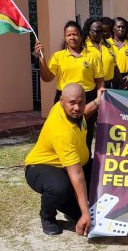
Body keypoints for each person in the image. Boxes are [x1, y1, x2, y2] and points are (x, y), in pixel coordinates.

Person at [25, 83, 104, 236]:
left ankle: (71, 204)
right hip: (41, 167)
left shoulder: (70, 112)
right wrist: (85, 213)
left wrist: (97, 101)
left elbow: (83, 114)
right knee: (60, 189)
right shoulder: (62, 132)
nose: (77, 108)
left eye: (81, 102)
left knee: (106, 169)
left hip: (70, 167)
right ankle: (47, 216)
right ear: (61, 101)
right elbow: (77, 174)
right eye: (72, 103)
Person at [35, 20, 104, 155]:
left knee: (86, 133)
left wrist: (99, 98)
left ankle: (85, 165)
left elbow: (100, 81)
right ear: (65, 37)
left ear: (81, 36)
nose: (72, 37)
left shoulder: (93, 55)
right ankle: (66, 165)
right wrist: (41, 59)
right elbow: (47, 78)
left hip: (87, 99)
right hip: (64, 100)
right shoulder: (58, 56)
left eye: (75, 34)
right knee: (64, 134)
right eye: (69, 35)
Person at [83, 17, 123, 89]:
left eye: (102, 31)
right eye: (97, 31)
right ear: (88, 31)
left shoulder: (108, 44)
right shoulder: (83, 46)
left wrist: (121, 82)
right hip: (92, 87)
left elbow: (114, 65)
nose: (101, 33)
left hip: (109, 85)